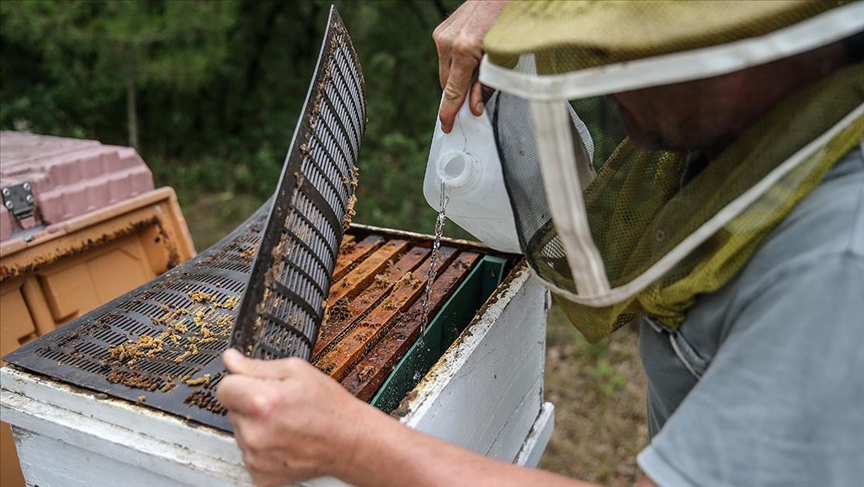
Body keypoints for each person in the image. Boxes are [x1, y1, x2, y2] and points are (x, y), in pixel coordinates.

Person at [217, 2, 864, 486]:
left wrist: (350, 441)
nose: (602, 69)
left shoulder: (838, 265)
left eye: (633, 38)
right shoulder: (751, 129)